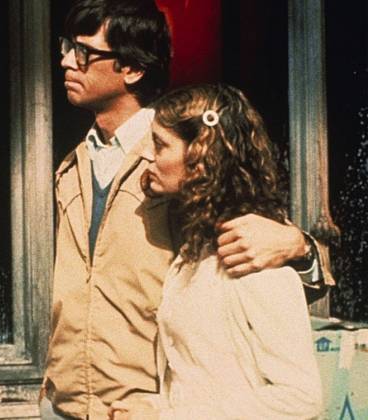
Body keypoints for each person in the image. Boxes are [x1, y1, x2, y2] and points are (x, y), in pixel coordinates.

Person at [42, 1, 332, 418]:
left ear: (132, 69)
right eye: (67, 46)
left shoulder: (182, 163)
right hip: (70, 405)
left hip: (151, 406)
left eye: (84, 52)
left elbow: (270, 266)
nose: (67, 61)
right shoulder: (72, 167)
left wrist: (301, 248)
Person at [108, 83, 322, 419]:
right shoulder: (197, 250)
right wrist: (154, 406)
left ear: (200, 158)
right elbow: (203, 378)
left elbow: (301, 399)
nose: (146, 154)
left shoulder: (254, 255)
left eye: (160, 144)